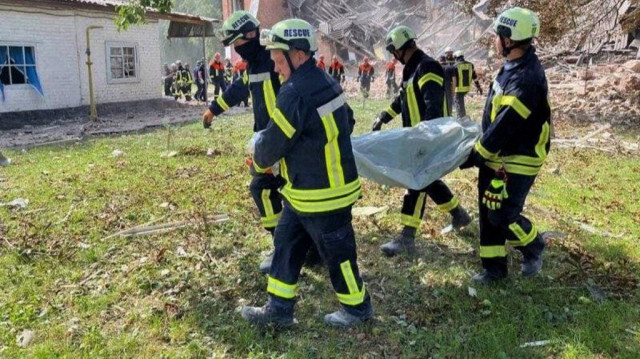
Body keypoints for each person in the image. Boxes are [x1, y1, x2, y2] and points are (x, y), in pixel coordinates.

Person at [240, 18, 372, 329]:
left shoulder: (294, 92)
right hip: (304, 192)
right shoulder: (326, 80)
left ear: (297, 54)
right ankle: (278, 310)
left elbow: (272, 145)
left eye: (277, 59)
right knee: (285, 244)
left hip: (322, 195)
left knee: (338, 255)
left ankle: (357, 309)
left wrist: (259, 162)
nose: (275, 68)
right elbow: (348, 122)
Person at [201, 11, 320, 274]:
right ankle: (299, 246)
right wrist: (213, 110)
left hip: (285, 140)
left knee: (266, 188)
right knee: (273, 189)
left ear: (251, 35)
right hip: (271, 140)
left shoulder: (274, 60)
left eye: (237, 43)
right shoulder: (255, 64)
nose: (236, 49)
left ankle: (290, 247)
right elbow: (237, 90)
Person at [460, 7, 549, 284]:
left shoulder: (526, 79)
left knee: (504, 215)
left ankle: (533, 246)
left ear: (509, 39)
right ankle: (494, 269)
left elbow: (506, 125)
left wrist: (476, 154)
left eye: (498, 35)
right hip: (498, 155)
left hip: (519, 157)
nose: (494, 40)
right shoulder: (513, 65)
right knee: (489, 211)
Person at [371, 26, 471, 257]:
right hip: (418, 136)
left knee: (416, 181)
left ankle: (407, 237)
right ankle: (459, 214)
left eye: (392, 50)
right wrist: (383, 117)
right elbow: (401, 100)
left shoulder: (427, 66)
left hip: (427, 136)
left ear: (398, 48)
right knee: (428, 180)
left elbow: (433, 103)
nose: (393, 56)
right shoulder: (410, 70)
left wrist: (426, 137)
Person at [452, 50, 482, 117]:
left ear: (456, 57)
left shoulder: (455, 66)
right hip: (467, 88)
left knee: (459, 105)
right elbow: (474, 77)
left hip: (458, 89)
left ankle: (461, 118)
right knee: (460, 104)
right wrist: (478, 87)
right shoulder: (470, 65)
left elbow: (454, 79)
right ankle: (463, 117)